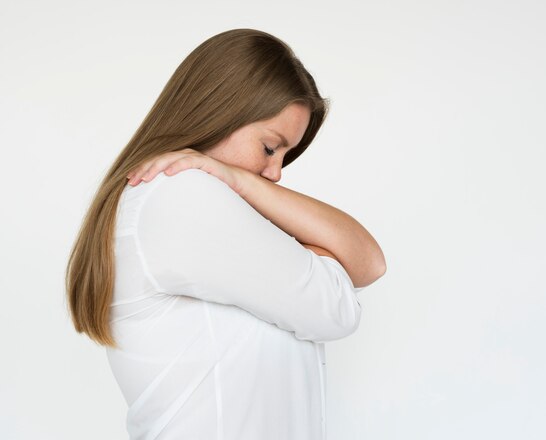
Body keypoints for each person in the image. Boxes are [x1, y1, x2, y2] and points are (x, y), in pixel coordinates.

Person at [65, 28, 386, 440]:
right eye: (270, 148)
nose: (276, 173)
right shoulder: (180, 195)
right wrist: (247, 190)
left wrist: (241, 179)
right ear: (218, 113)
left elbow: (369, 263)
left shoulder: (193, 198)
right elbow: (337, 308)